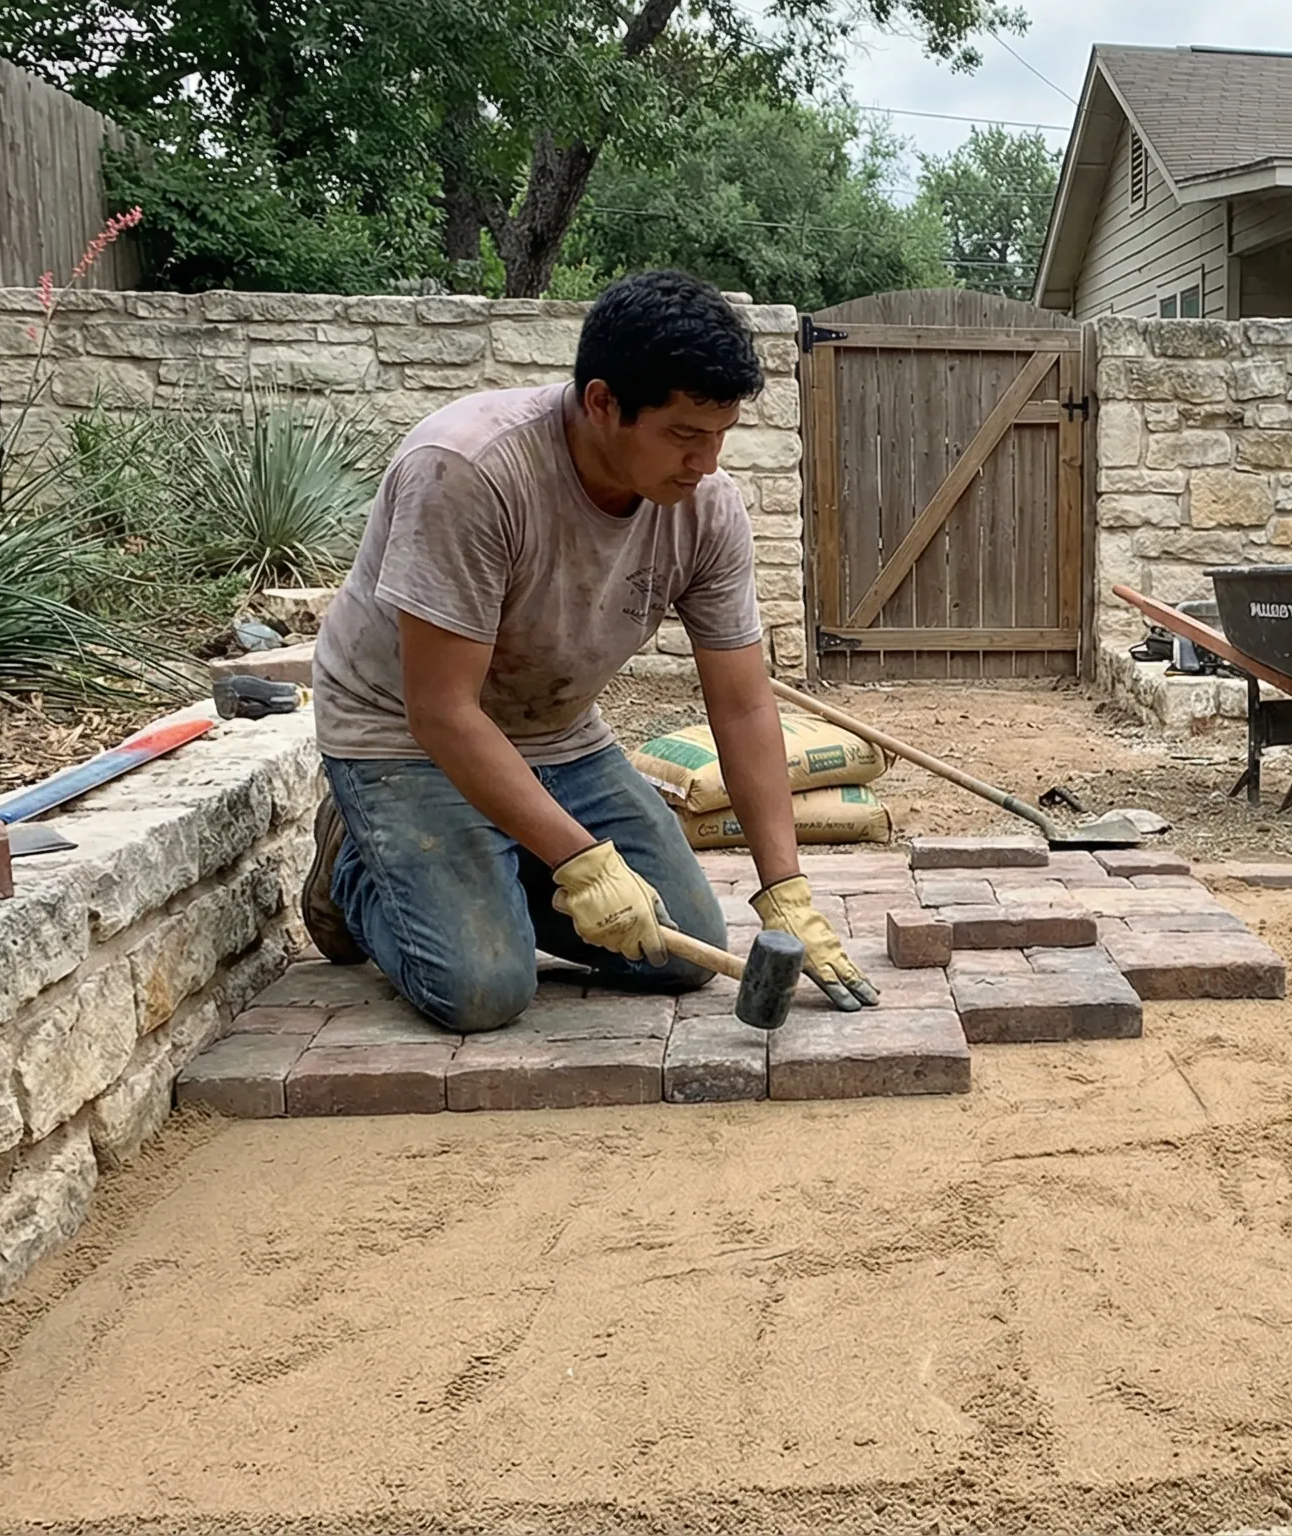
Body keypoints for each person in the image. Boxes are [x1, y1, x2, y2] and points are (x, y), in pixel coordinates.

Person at [299, 270, 877, 1030]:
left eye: (721, 436)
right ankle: (356, 868)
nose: (706, 463)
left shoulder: (705, 509)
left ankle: (495, 865)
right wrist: (584, 863)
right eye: (684, 436)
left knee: (681, 951)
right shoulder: (469, 472)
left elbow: (741, 705)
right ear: (603, 403)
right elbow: (439, 710)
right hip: (403, 738)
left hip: (558, 737)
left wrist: (785, 891)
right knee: (482, 989)